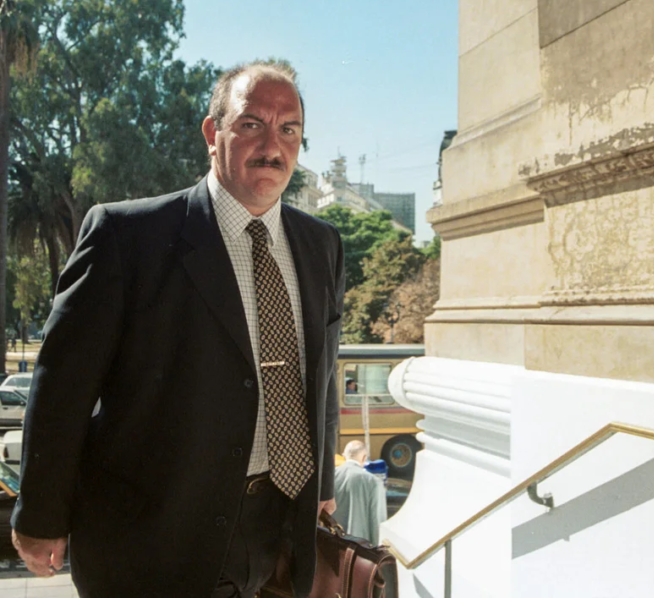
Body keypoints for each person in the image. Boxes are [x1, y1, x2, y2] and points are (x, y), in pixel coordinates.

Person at [10, 60, 345, 598]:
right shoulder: (127, 236)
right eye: (252, 124)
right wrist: (40, 514)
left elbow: (322, 375)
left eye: (289, 130)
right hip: (154, 540)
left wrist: (322, 484)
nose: (272, 146)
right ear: (213, 133)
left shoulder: (321, 244)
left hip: (281, 536)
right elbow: (61, 389)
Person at [333, 441, 387, 546]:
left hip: (332, 544)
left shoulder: (330, 476)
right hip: (360, 548)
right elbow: (377, 521)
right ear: (364, 458)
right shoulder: (373, 481)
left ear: (344, 456)